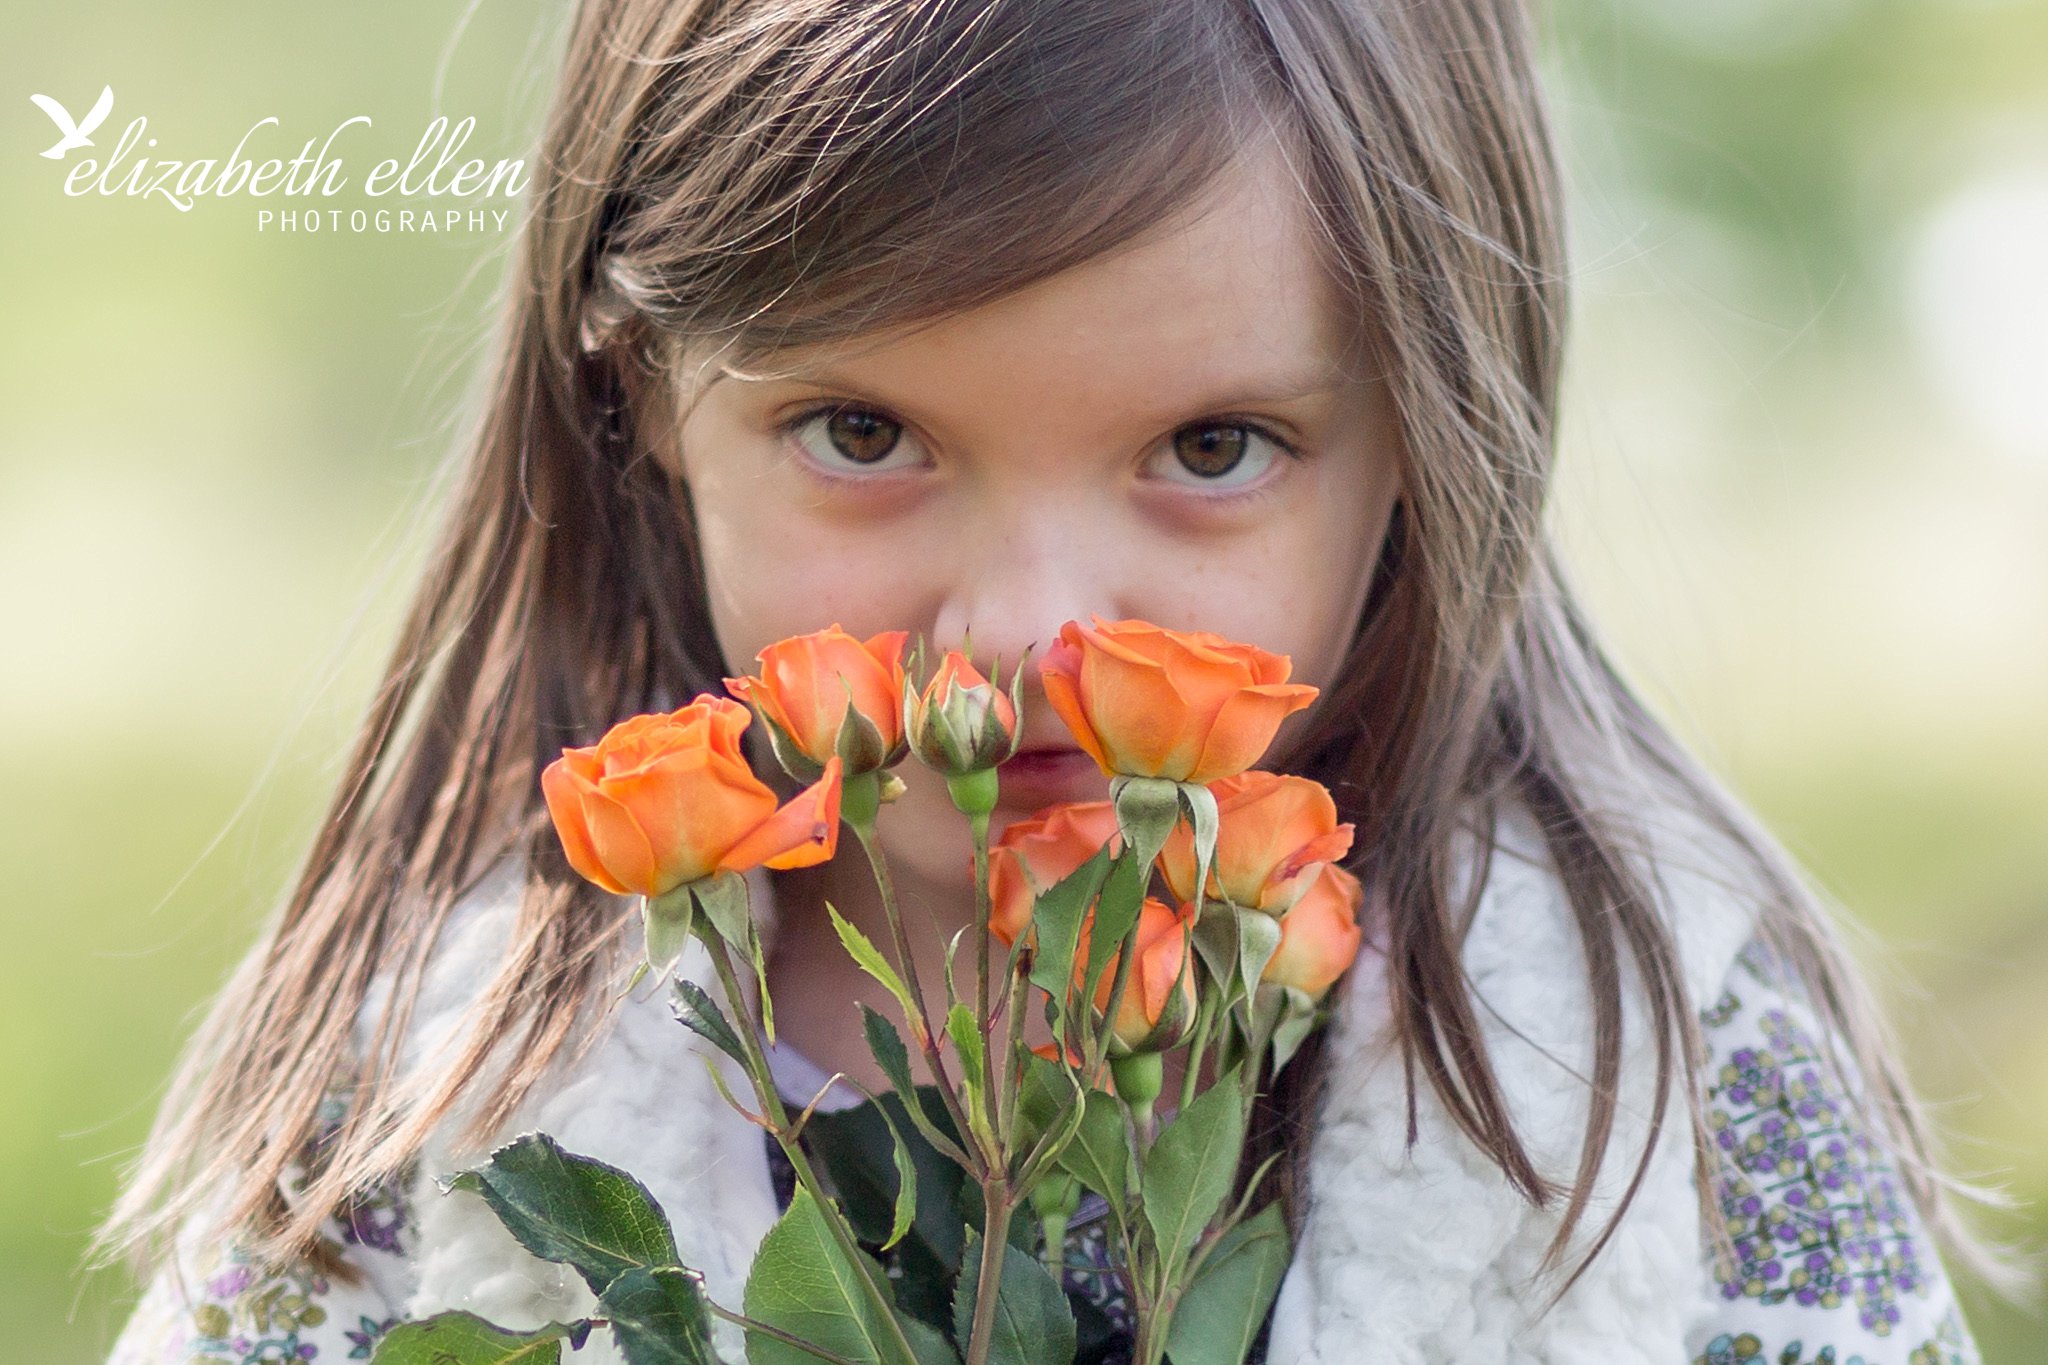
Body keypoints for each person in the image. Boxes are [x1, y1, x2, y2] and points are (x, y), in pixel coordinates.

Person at [93, 1, 1999, 1362]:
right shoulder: (438, 1081)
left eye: (1212, 447)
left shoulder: (1646, 1065)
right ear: (641, 397)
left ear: (1432, 436)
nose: (1017, 630)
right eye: (862, 428)